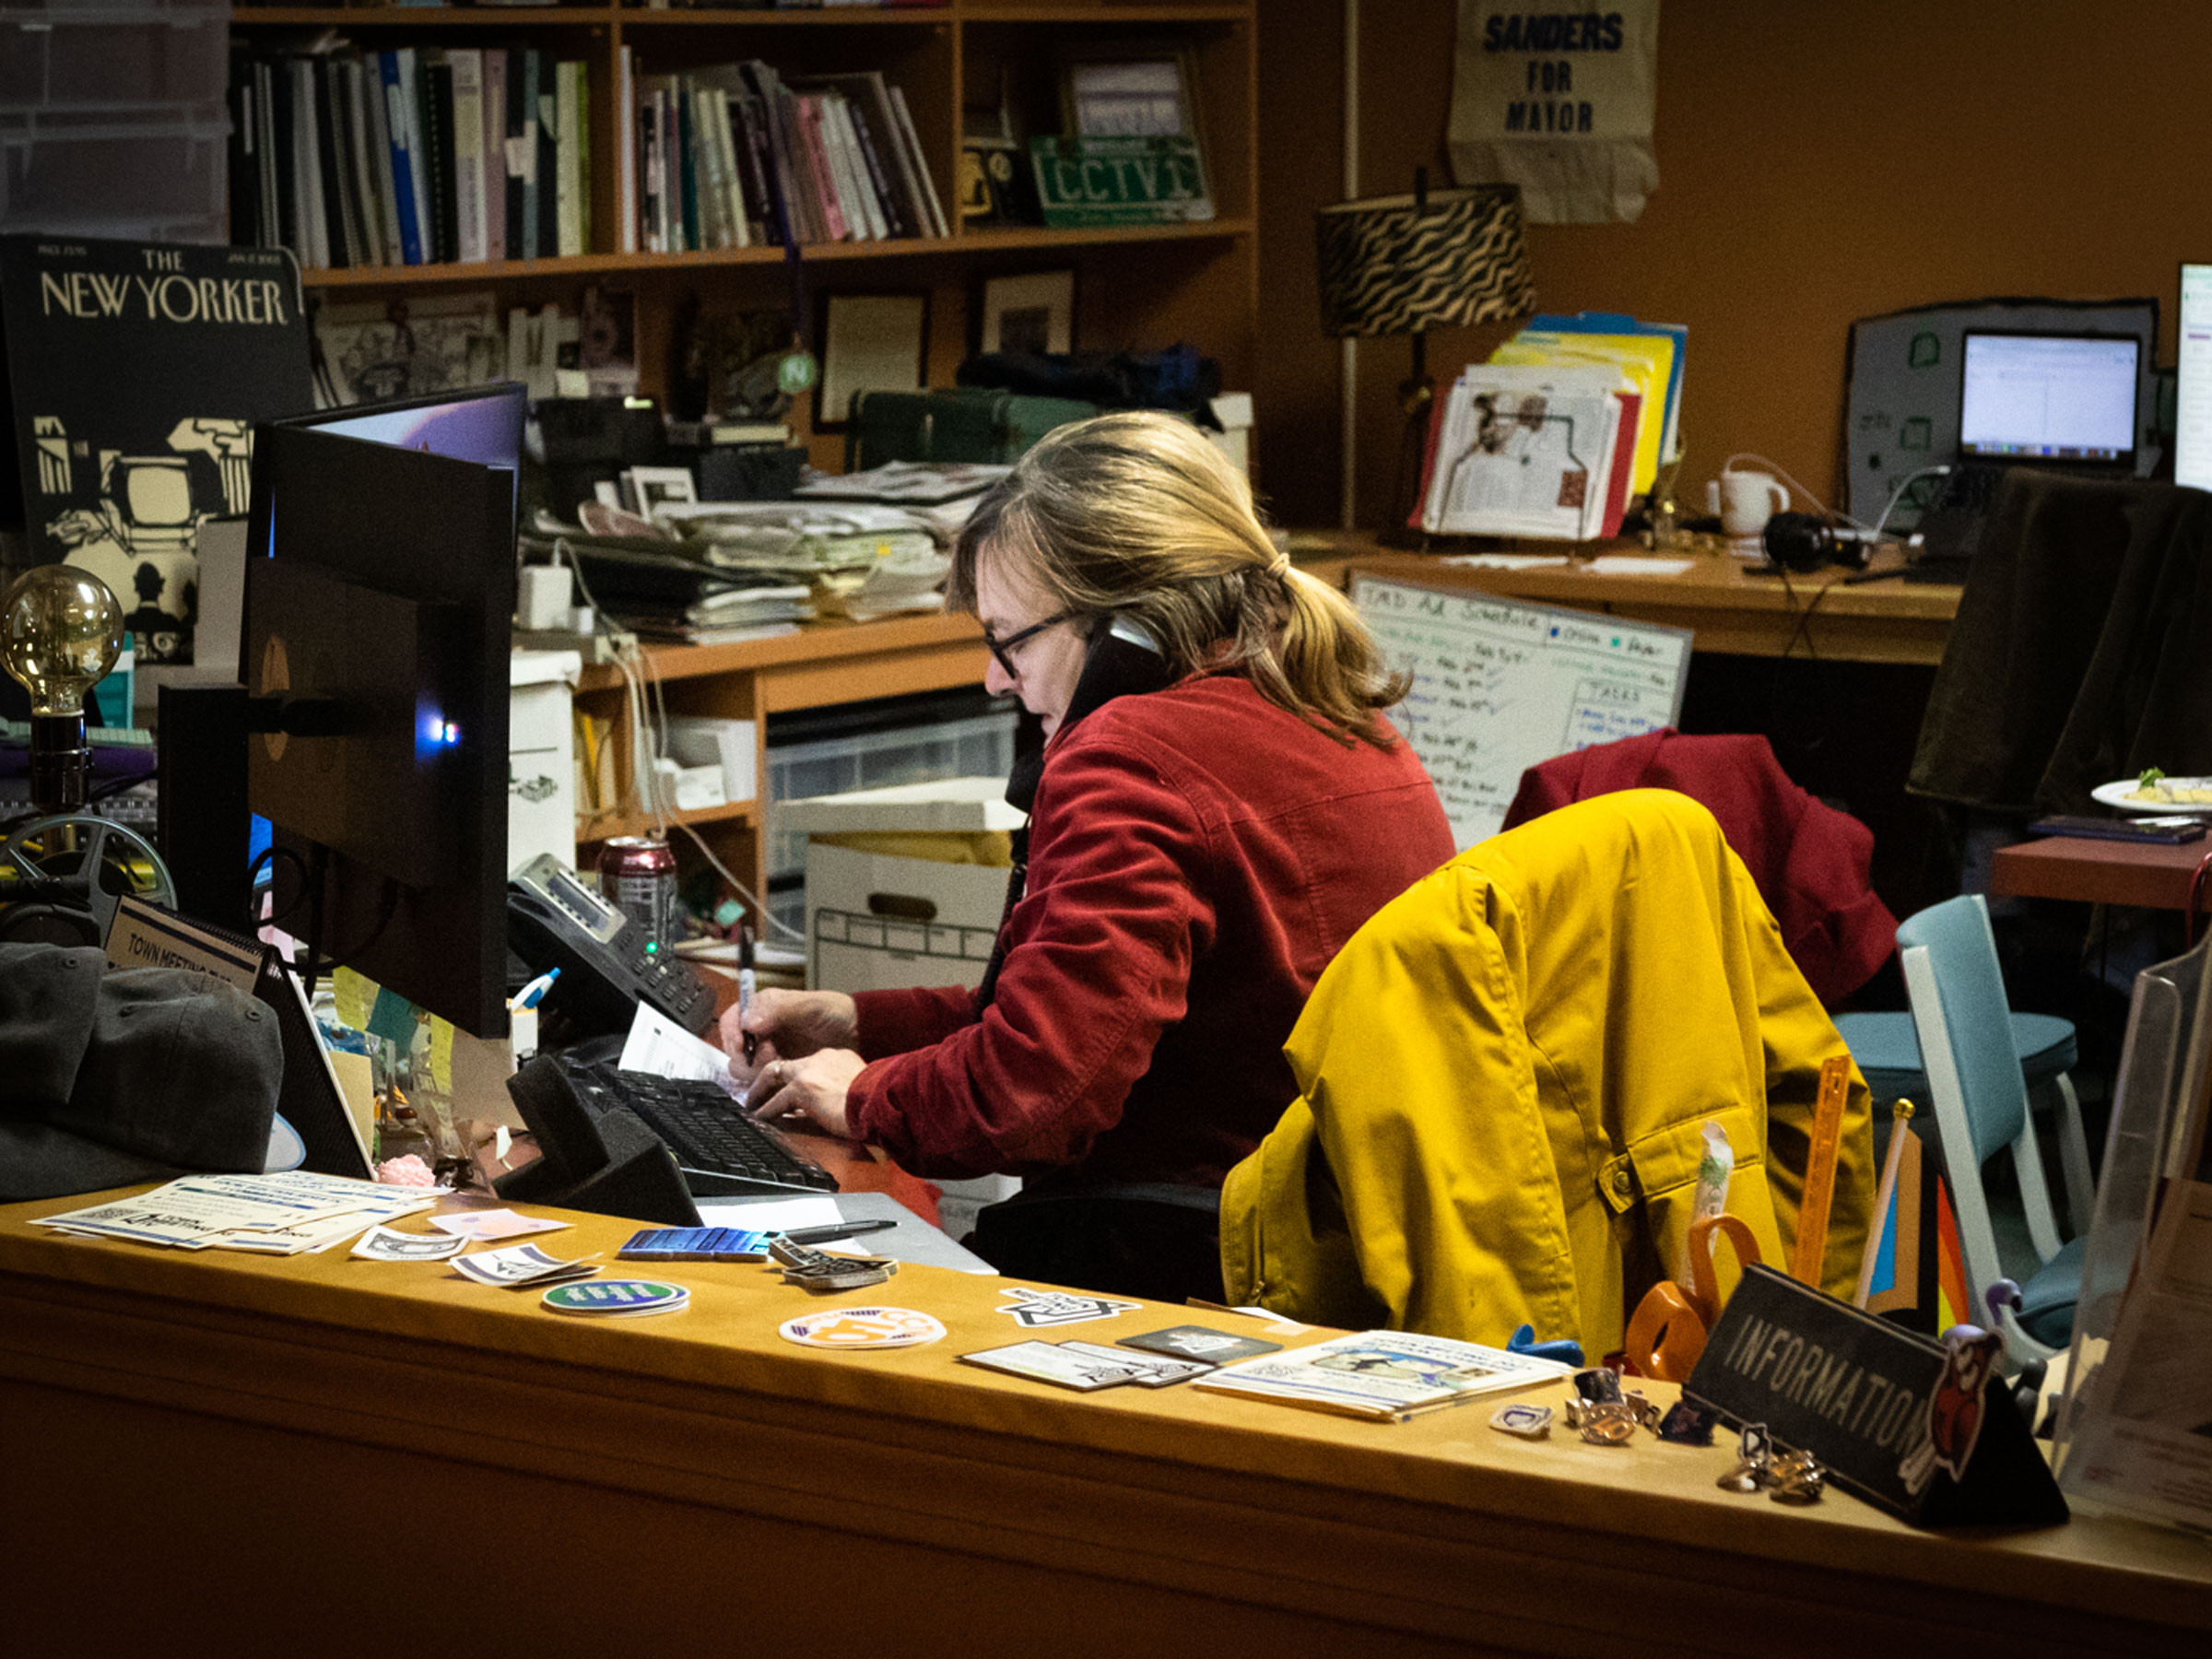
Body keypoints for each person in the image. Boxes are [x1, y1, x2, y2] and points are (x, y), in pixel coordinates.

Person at [725, 411, 1454, 1300]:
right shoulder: (1342, 723)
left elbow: (1034, 1096)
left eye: (1012, 640)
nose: (997, 678)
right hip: (1334, 1244)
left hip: (1188, 1267)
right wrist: (858, 1024)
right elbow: (1095, 1017)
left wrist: (862, 1096)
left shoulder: (1129, 761)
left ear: (1128, 629)